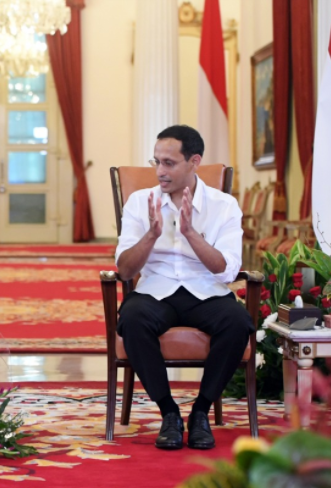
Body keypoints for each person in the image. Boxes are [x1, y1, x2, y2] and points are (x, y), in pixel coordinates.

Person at [115, 125, 253, 451]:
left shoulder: (224, 206)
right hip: (156, 290)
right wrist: (150, 236)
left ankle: (201, 413)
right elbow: (124, 271)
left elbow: (226, 271)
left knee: (237, 323)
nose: (160, 171)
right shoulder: (140, 203)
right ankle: (169, 413)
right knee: (133, 319)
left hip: (206, 290)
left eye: (169, 163)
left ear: (194, 162)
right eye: (157, 162)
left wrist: (191, 234)